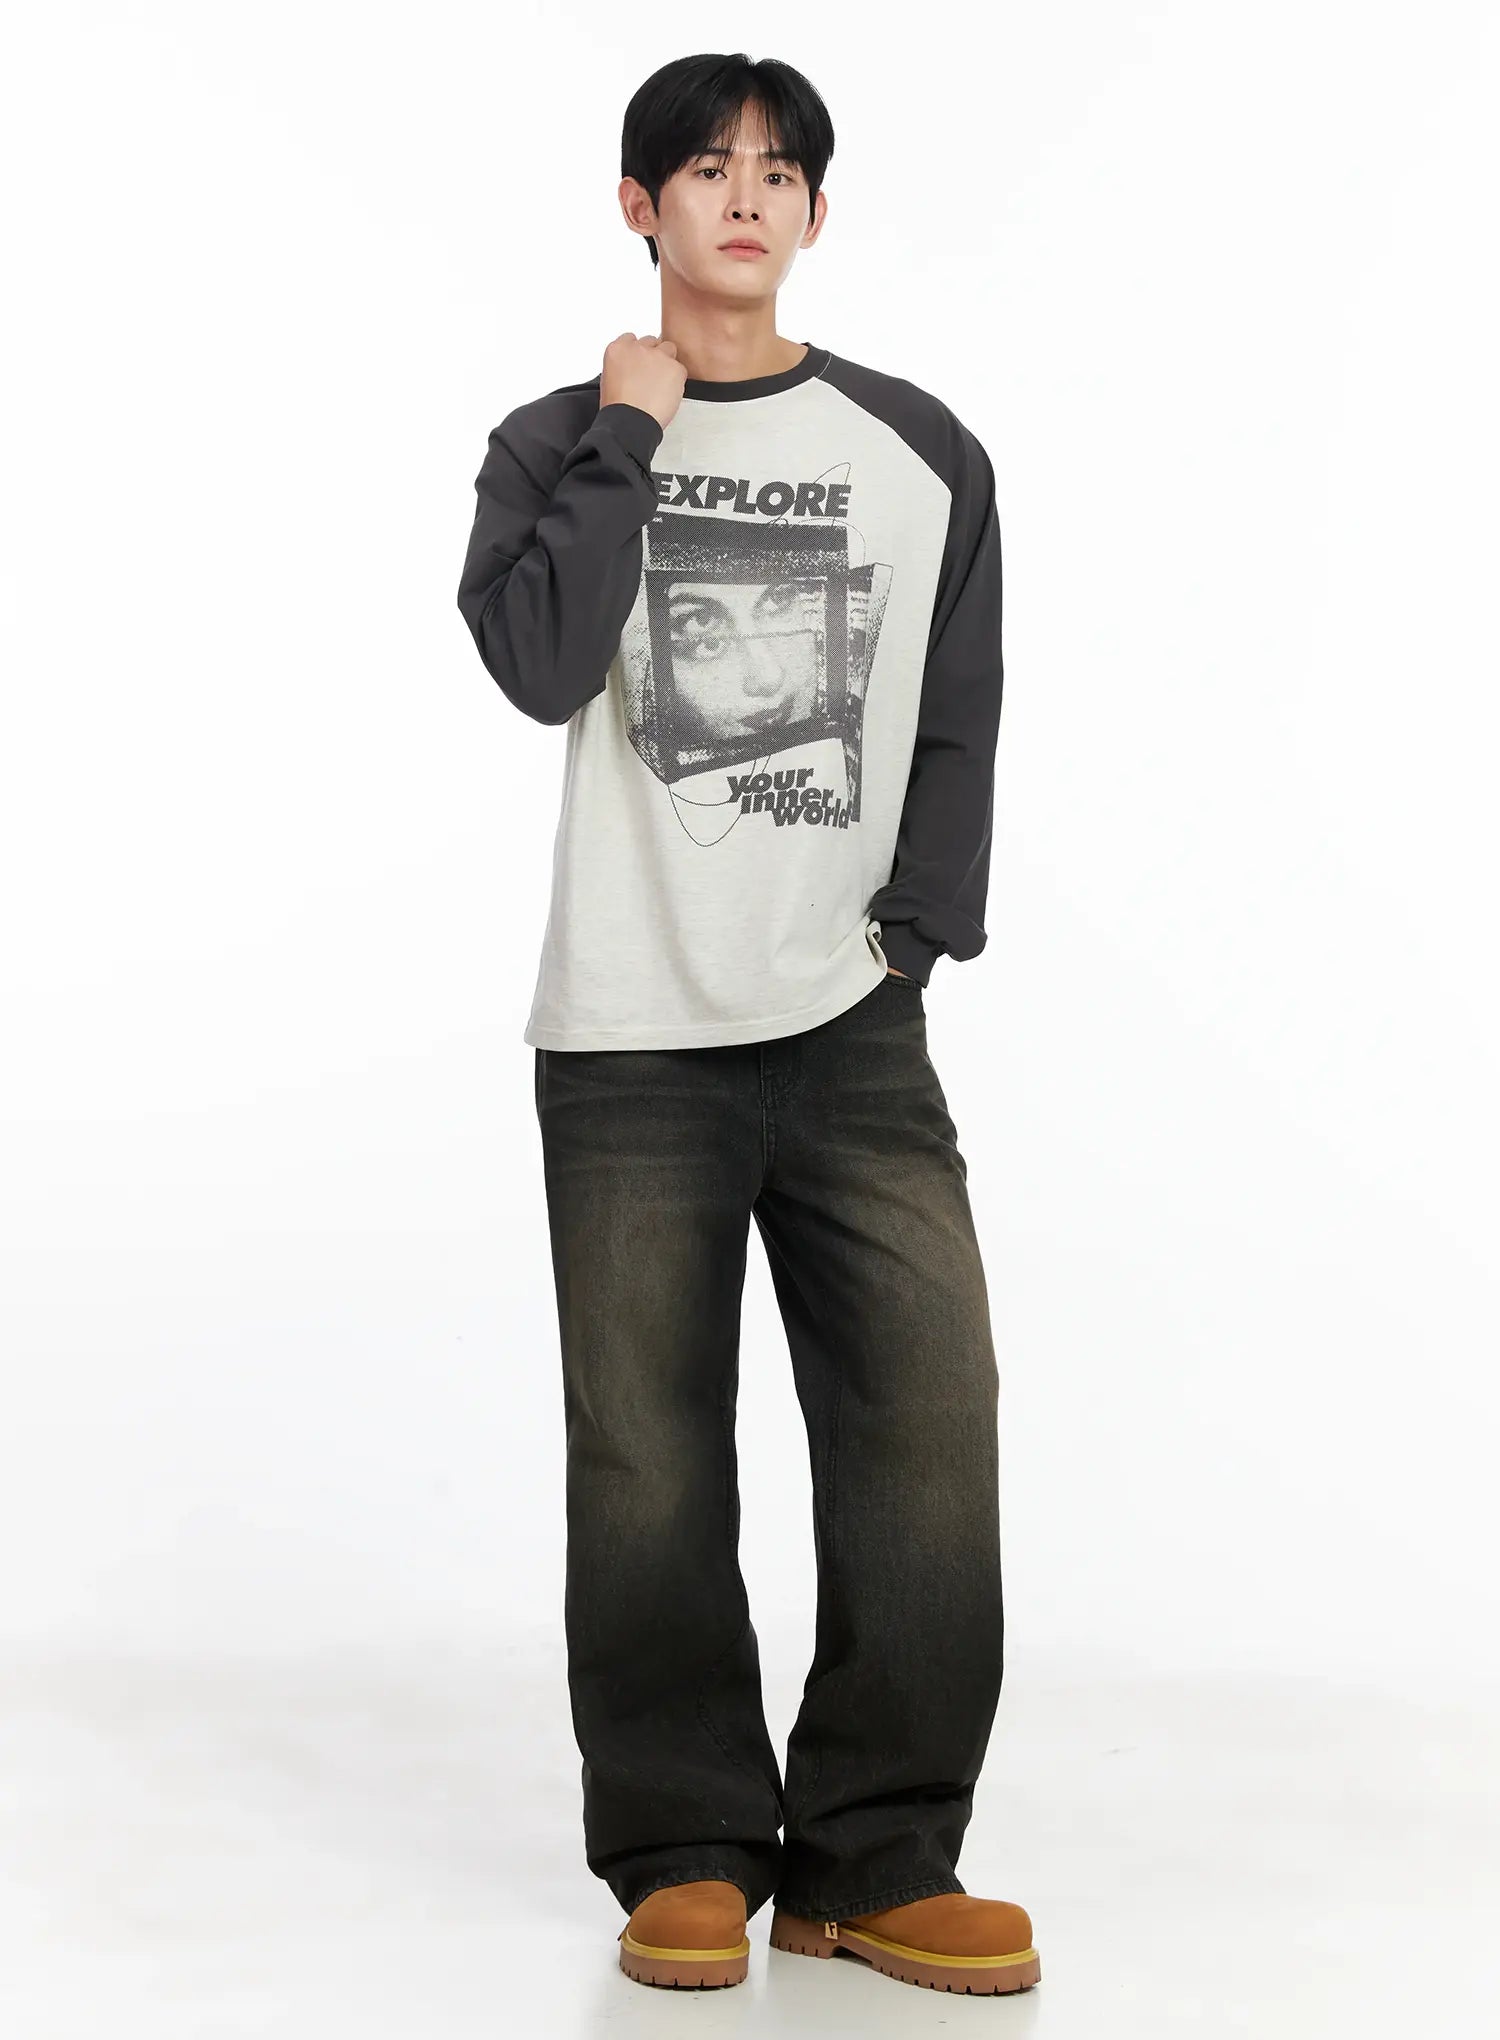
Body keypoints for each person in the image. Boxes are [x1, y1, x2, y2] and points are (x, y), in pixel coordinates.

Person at [455, 51, 1039, 1998]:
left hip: (851, 1028)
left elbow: (959, 705)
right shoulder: (556, 440)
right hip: (629, 1036)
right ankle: (686, 1848)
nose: (744, 199)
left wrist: (917, 941)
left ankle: (877, 1856)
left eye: (779, 173)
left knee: (928, 1431)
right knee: (648, 1460)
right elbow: (540, 661)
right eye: (705, 169)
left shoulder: (918, 447)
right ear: (641, 206)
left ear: (815, 212)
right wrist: (633, 434)